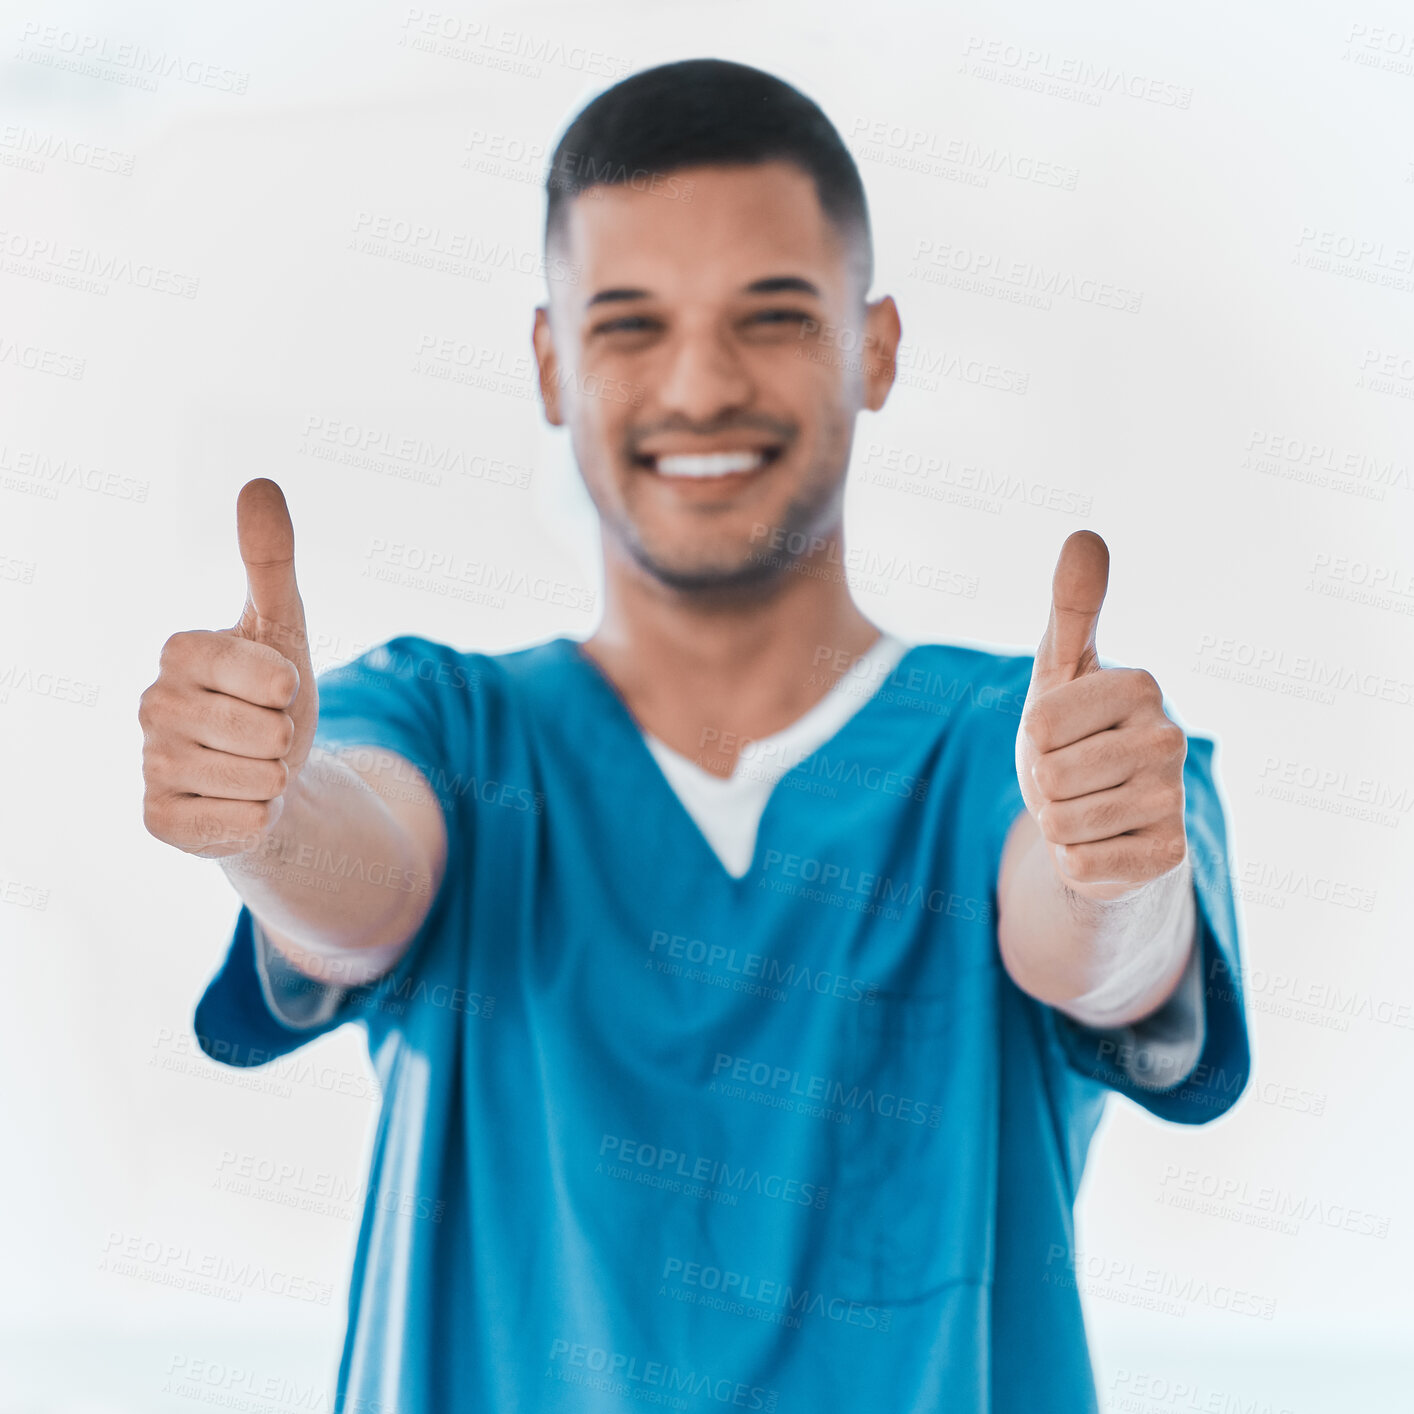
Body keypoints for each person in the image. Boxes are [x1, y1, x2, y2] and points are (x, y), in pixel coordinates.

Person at [139, 58, 1250, 1414]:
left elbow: (1091, 935)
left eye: (772, 317)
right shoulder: (444, 727)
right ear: (550, 362)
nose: (700, 383)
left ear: (875, 344)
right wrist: (266, 815)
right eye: (627, 324)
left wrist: (1112, 869)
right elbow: (358, 882)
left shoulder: (1042, 749)